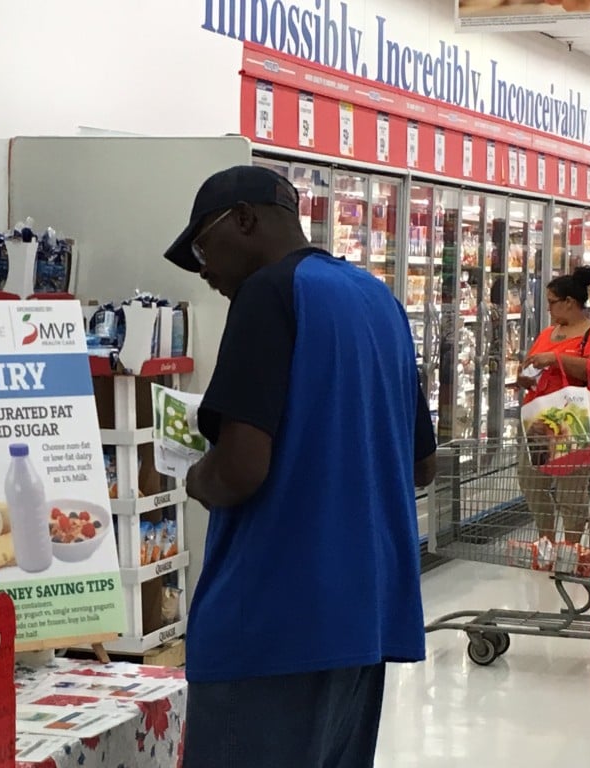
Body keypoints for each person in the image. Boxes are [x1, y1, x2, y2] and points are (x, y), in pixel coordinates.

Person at [163, 166, 436, 768]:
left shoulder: (268, 293)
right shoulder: (379, 301)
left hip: (271, 619)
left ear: (245, 219)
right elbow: (423, 466)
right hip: (362, 619)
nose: (204, 271)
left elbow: (239, 470)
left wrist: (194, 477)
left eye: (203, 248)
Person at [517, 266, 590, 544]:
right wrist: (526, 376)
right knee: (531, 480)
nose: (548, 309)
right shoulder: (548, 333)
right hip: (539, 417)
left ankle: (570, 546)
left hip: (574, 418)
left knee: (572, 488)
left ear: (570, 302)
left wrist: (555, 360)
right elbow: (535, 364)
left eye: (551, 302)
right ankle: (546, 540)